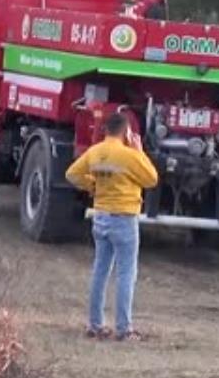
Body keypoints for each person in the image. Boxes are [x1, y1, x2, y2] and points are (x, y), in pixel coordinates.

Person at [66, 112, 159, 340]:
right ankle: (123, 328)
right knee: (126, 273)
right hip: (124, 218)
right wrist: (140, 151)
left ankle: (95, 324)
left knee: (100, 271)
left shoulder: (95, 151)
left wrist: (93, 186)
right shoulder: (129, 155)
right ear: (126, 132)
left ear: (105, 129)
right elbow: (151, 179)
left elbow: (71, 174)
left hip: (101, 216)